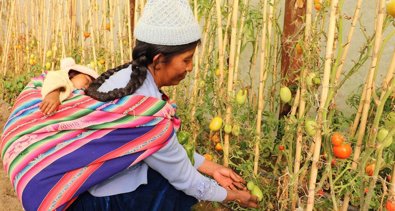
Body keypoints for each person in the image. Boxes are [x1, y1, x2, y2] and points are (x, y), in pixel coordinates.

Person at [67, 0, 259, 210]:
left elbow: (165, 150)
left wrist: (211, 168)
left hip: (85, 186)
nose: (191, 68)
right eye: (186, 60)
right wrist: (233, 196)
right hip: (103, 201)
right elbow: (184, 177)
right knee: (173, 188)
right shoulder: (146, 112)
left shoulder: (124, 77)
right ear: (158, 61)